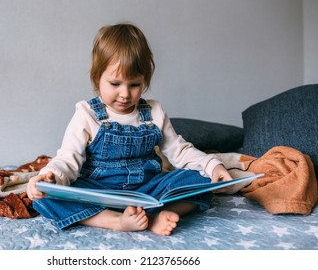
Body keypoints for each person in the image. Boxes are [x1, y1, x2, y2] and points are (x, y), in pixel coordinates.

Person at [26, 23, 232, 236]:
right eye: (115, 83)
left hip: (147, 190)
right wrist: (50, 177)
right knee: (45, 199)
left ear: (145, 81)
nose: (124, 94)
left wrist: (212, 166)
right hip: (99, 191)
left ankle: (157, 216)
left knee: (201, 181)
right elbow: (68, 159)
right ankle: (116, 220)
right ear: (98, 78)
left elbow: (179, 151)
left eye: (134, 85)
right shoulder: (86, 114)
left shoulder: (154, 111)